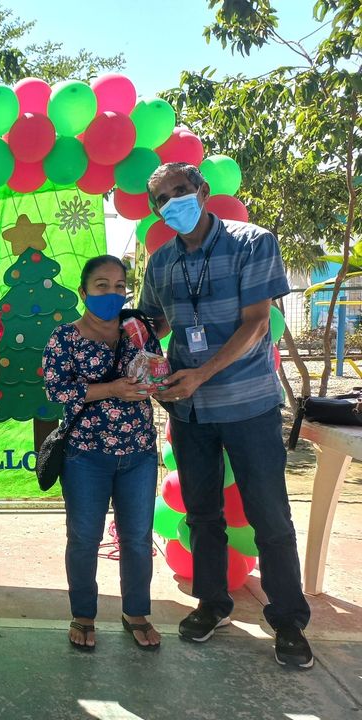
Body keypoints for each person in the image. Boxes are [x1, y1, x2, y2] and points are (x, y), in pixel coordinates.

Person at [140, 161, 313, 668]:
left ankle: (288, 620)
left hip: (248, 407)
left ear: (202, 189)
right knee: (202, 514)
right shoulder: (160, 262)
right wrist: (138, 352)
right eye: (161, 199)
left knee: (269, 515)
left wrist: (202, 373)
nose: (173, 203)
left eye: (180, 190)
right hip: (188, 411)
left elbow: (257, 323)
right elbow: (152, 322)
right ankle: (212, 604)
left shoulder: (252, 243)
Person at [42, 255, 162, 651]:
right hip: (86, 455)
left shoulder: (138, 331)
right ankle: (83, 615)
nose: (112, 293)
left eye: (119, 286)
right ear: (83, 291)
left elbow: (157, 371)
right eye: (101, 285)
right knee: (83, 538)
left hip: (139, 452)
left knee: (138, 538)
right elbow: (57, 390)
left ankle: (136, 613)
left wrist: (158, 384)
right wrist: (111, 389)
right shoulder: (64, 337)